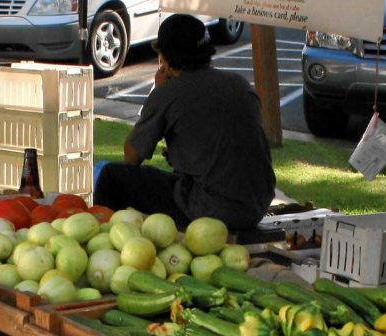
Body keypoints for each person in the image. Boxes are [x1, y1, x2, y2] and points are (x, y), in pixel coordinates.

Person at [94, 14, 276, 232]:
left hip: (212, 209)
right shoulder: (239, 84)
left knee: (111, 177)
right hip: (257, 205)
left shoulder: (168, 94)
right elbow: (231, 144)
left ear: (165, 58)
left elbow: (131, 157)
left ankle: (109, 238)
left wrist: (157, 92)